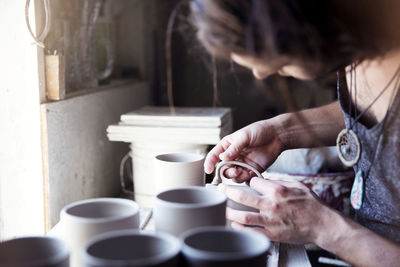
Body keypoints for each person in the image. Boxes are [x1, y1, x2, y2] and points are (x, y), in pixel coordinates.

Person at [190, 0, 400, 265]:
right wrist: (282, 131)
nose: (261, 73)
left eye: (276, 58)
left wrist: (325, 228)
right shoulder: (361, 49)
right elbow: (378, 114)